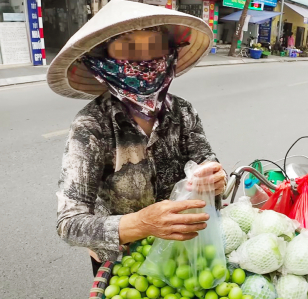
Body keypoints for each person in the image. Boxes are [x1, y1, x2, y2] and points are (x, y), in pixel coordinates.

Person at [47, 0, 227, 276]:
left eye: (153, 46)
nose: (143, 60)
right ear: (102, 58)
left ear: (169, 53)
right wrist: (141, 224)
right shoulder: (92, 124)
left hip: (185, 251)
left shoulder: (183, 111)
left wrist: (214, 177)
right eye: (129, 47)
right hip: (122, 257)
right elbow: (69, 223)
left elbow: (206, 160)